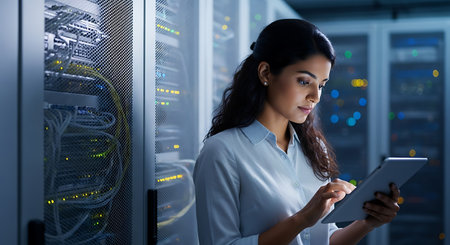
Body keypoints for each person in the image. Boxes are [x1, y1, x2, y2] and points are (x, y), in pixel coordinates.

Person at [193, 19, 400, 245]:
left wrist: (368, 222)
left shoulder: (313, 148)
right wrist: (302, 219)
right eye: (304, 81)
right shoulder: (222, 152)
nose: (316, 96)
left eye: (321, 85)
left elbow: (324, 239)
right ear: (265, 73)